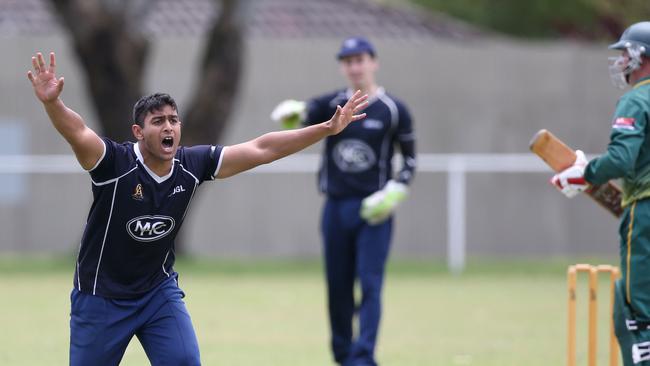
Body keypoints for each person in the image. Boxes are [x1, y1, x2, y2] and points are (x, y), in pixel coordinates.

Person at [27, 51, 368, 366]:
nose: (168, 127)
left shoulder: (192, 164)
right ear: (138, 131)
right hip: (100, 298)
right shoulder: (113, 164)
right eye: (158, 121)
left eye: (173, 120)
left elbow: (262, 148)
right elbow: (78, 132)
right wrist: (53, 104)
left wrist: (326, 128)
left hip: (156, 294)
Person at [271, 36, 416, 366]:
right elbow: (301, 119)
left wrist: (395, 191)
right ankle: (343, 355)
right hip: (335, 208)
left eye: (360, 59)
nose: (355, 67)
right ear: (342, 67)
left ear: (373, 62)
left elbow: (409, 160)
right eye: (348, 61)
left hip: (374, 212)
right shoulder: (331, 104)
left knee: (370, 284)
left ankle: (363, 358)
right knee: (338, 288)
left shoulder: (394, 110)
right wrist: (293, 113)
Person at [551, 21, 650, 365]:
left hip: (645, 210)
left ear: (641, 57)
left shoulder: (636, 100)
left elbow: (623, 159)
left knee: (636, 310)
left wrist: (585, 173)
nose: (621, 61)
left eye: (625, 54)